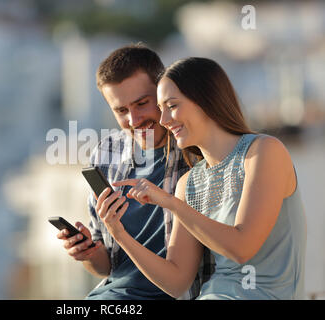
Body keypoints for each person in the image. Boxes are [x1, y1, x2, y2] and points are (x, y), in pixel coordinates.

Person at [105, 57, 307, 299]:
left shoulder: (263, 151)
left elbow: (242, 247)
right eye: (161, 109)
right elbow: (176, 282)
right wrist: (119, 234)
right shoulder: (188, 184)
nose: (164, 120)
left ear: (205, 100)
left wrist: (170, 203)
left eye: (172, 106)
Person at [56, 45, 214, 299]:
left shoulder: (197, 152)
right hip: (112, 294)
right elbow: (106, 266)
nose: (134, 119)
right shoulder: (106, 153)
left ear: (163, 92)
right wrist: (87, 252)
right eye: (121, 111)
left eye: (142, 103)